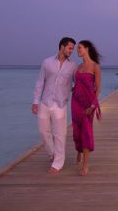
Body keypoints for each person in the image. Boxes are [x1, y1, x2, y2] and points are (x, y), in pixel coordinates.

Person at [32, 37, 77, 174]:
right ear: (62, 47)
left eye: (73, 49)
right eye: (70, 48)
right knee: (43, 132)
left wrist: (70, 92)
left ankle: (58, 163)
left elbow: (77, 83)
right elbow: (40, 82)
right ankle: (52, 153)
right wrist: (35, 101)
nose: (71, 51)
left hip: (60, 104)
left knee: (59, 134)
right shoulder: (47, 62)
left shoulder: (73, 66)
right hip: (45, 102)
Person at [72, 40, 102, 176]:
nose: (77, 50)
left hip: (88, 104)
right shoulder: (78, 67)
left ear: (87, 49)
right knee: (77, 131)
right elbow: (76, 85)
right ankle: (79, 151)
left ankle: (85, 165)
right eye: (77, 48)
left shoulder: (95, 66)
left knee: (86, 132)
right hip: (76, 102)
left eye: (80, 48)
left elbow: (98, 89)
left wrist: (92, 105)